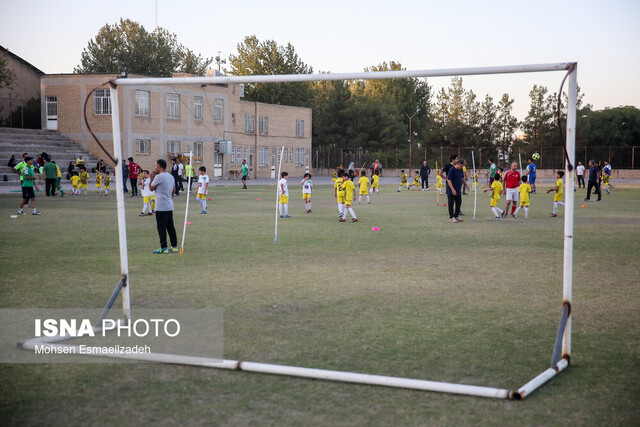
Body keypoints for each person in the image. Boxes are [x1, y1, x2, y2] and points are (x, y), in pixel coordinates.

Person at [149, 159, 178, 254]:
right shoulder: (170, 176)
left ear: (159, 166)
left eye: (155, 166)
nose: (154, 168)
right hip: (169, 205)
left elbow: (151, 188)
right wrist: (169, 199)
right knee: (170, 227)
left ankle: (164, 247)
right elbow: (173, 191)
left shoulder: (159, 177)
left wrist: (152, 177)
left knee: (161, 228)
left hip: (161, 207)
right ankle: (174, 246)